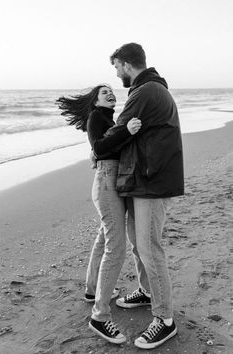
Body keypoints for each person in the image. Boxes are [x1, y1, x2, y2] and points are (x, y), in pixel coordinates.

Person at [104, 43, 184, 350]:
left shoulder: (144, 91)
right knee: (140, 244)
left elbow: (119, 133)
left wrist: (97, 146)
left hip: (150, 180)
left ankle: (165, 320)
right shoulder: (152, 88)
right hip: (146, 178)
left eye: (116, 67)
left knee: (150, 248)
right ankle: (148, 292)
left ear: (126, 64)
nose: (115, 73)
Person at [57, 85, 141, 344]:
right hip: (106, 181)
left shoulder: (107, 119)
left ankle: (93, 291)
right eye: (104, 92)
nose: (110, 94)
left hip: (109, 179)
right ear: (95, 100)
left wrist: (116, 137)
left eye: (111, 91)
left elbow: (101, 148)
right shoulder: (97, 116)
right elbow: (102, 147)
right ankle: (100, 317)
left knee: (105, 238)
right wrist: (126, 131)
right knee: (115, 247)